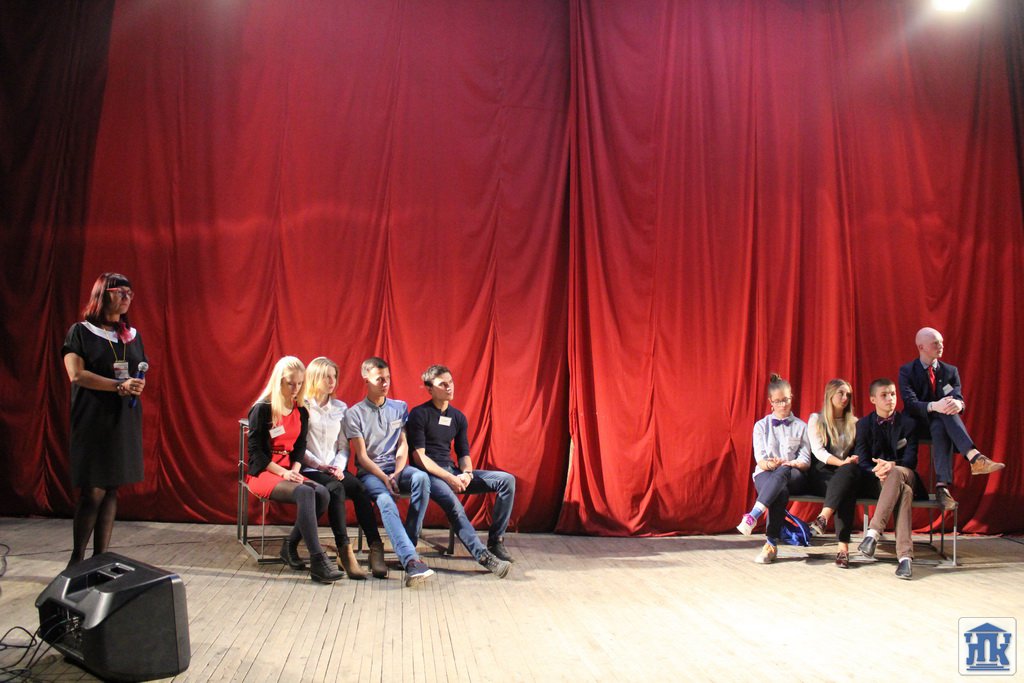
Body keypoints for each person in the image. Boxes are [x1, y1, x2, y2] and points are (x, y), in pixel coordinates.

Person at [62, 273, 148, 567]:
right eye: (119, 291)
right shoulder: (80, 332)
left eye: (129, 292)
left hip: (123, 418)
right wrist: (118, 386)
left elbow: (138, 370)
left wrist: (137, 384)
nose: (126, 297)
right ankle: (76, 561)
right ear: (102, 294)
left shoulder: (131, 335)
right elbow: (76, 374)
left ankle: (100, 559)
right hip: (93, 419)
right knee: (93, 490)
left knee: (112, 488)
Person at [408, 365, 515, 578]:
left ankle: (495, 541)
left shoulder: (458, 417)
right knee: (455, 507)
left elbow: (463, 453)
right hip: (430, 475)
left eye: (450, 382)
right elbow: (419, 457)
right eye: (443, 384)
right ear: (429, 389)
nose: (449, 387)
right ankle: (483, 556)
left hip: (453, 471)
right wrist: (450, 478)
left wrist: (466, 473)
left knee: (507, 480)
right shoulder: (419, 414)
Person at [246, 356, 343, 583]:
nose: (296, 388)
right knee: (306, 492)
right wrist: (283, 473)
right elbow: (255, 452)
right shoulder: (262, 409)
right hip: (264, 472)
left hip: (289, 470)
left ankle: (289, 545)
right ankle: (317, 559)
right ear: (279, 381)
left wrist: (295, 469)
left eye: (300, 383)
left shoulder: (301, 410)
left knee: (323, 493)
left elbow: (300, 447)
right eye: (290, 383)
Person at [344, 357, 434, 587]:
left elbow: (403, 444)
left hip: (397, 469)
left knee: (422, 478)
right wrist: (384, 478)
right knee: (385, 500)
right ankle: (411, 560)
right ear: (366, 380)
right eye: (379, 379)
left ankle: (408, 544)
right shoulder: (354, 414)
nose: (385, 383)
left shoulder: (399, 407)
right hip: (371, 473)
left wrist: (396, 472)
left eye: (388, 378)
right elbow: (362, 457)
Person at [898, 327, 1004, 510]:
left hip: (942, 424)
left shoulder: (950, 371)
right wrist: (935, 406)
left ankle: (942, 487)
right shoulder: (907, 371)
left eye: (941, 342)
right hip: (917, 424)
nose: (941, 346)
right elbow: (911, 405)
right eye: (935, 343)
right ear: (921, 347)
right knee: (943, 411)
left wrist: (958, 404)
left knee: (942, 420)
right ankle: (973, 457)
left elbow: (957, 397)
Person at [300, 356, 382, 580]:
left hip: (334, 467)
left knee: (360, 489)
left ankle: (375, 546)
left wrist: (337, 467)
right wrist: (321, 465)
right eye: (326, 377)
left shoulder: (341, 408)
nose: (332, 381)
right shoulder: (303, 405)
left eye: (334, 376)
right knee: (336, 489)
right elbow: (298, 447)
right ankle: (344, 550)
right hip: (310, 467)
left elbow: (344, 447)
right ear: (314, 378)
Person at [854, 378, 928, 580]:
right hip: (879, 480)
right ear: (873, 399)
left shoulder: (909, 424)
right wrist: (876, 471)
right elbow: (862, 460)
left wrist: (892, 465)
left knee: (897, 475)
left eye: (893, 394)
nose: (890, 399)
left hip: (906, 473)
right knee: (905, 492)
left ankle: (873, 533)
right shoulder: (863, 425)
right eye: (884, 395)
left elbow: (911, 461)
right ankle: (905, 559)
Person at [736, 374, 811, 564]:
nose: (783, 405)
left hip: (794, 474)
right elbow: (760, 460)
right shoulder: (761, 426)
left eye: (786, 400)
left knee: (784, 471)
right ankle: (770, 544)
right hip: (767, 473)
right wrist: (772, 464)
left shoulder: (802, 426)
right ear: (771, 402)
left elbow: (805, 460)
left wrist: (791, 463)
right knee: (780, 490)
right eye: (778, 401)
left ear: (791, 397)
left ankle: (754, 515)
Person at [804, 379, 861, 568]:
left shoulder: (854, 422)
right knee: (844, 489)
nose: (845, 398)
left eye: (848, 395)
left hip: (846, 472)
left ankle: (823, 518)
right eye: (841, 393)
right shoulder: (816, 419)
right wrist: (842, 463)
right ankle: (843, 549)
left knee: (847, 478)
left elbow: (859, 452)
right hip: (822, 472)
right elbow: (818, 451)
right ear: (830, 395)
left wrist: (850, 461)